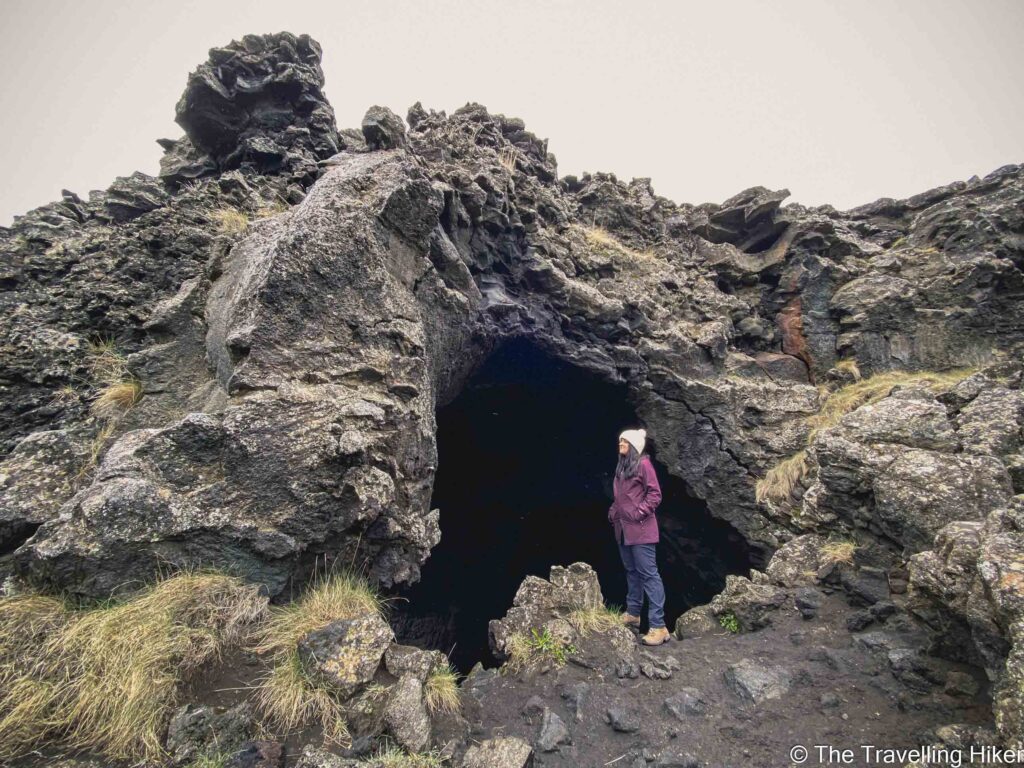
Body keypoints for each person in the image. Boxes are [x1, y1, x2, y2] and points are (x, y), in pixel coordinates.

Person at [607, 428, 670, 646]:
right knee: (632, 571)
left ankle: (659, 626)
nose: (620, 443)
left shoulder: (644, 464)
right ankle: (634, 613)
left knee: (649, 575)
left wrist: (638, 512)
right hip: (624, 530)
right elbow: (621, 497)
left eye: (624, 440)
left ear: (634, 445)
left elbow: (655, 494)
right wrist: (614, 512)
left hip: (641, 530)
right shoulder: (622, 467)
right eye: (620, 440)